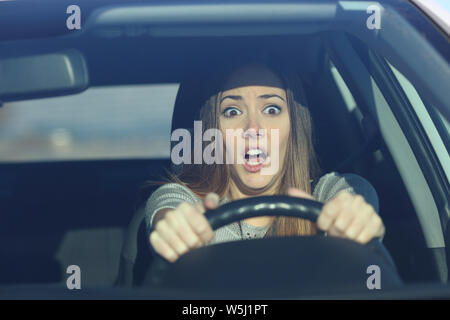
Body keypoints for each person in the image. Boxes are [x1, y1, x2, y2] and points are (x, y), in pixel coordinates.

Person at [145, 56, 385, 263]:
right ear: (214, 132)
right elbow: (169, 207)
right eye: (232, 112)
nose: (253, 128)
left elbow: (352, 196)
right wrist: (175, 227)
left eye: (271, 109)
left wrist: (354, 219)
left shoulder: (326, 195)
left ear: (294, 128)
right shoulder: (188, 202)